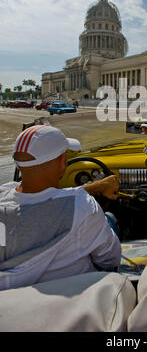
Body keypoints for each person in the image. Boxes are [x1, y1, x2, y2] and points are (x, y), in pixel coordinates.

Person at [0, 124, 121, 291]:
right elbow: (110, 259)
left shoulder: (4, 195)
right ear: (63, 162)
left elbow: (39, 199)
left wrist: (95, 187)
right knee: (109, 218)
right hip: (81, 293)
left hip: (16, 295)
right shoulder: (82, 206)